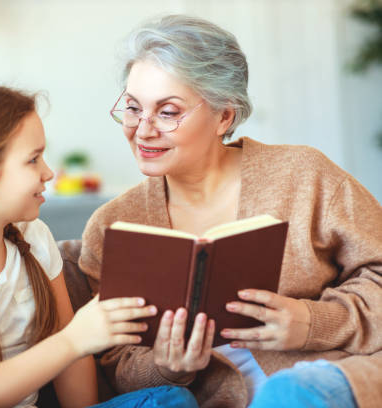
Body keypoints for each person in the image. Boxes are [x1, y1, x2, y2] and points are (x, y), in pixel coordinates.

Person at [78, 14, 382, 408]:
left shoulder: (304, 174)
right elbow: (114, 363)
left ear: (225, 115)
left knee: (288, 395)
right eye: (133, 108)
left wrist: (311, 323)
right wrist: (166, 367)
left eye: (168, 112)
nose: (144, 129)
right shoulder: (112, 226)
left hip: (326, 381)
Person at [0, 83, 198, 408]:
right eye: (33, 160)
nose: (48, 172)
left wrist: (77, 346)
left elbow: (73, 364)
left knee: (172, 400)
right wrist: (74, 340)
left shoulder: (34, 237)